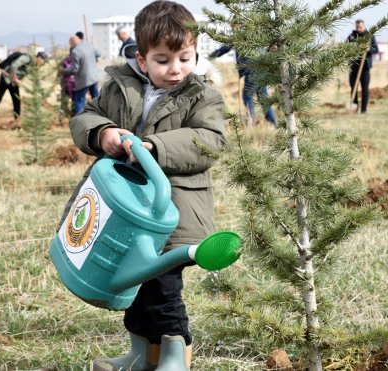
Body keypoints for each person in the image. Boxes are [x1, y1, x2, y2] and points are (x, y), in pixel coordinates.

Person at [60, 1, 226, 369]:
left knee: (163, 290)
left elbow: (210, 140)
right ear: (141, 55)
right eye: (164, 60)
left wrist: (156, 147)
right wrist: (101, 133)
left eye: (186, 58)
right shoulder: (120, 86)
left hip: (172, 212)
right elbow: (86, 116)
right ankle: (140, 353)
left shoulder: (202, 95)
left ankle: (173, 356)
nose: (176, 69)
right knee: (131, 286)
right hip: (124, 212)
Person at [210, 43, 276, 126]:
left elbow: (224, 49)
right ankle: (272, 123)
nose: (232, 29)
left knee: (247, 97)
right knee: (263, 98)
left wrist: (210, 56)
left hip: (252, 71)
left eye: (233, 28)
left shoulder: (240, 37)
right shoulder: (252, 33)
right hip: (261, 70)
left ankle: (250, 123)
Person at [0, 51, 47, 127]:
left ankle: (17, 120)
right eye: (43, 61)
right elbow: (14, 66)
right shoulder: (27, 58)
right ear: (39, 58)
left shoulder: (34, 66)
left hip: (14, 82)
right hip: (6, 77)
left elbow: (36, 80)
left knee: (16, 100)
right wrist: (15, 77)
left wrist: (42, 93)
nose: (43, 64)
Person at [61, 35, 100, 115]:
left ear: (72, 42)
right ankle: (102, 114)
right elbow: (98, 54)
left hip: (84, 80)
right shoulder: (89, 46)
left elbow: (74, 69)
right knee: (96, 98)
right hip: (94, 77)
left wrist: (63, 71)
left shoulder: (76, 51)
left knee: (79, 100)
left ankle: (78, 119)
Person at [347, 19, 379, 114]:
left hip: (365, 67)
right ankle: (354, 108)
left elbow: (376, 49)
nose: (358, 29)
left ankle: (363, 110)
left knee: (365, 89)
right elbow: (346, 46)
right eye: (357, 27)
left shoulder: (369, 36)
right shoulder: (352, 36)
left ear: (364, 26)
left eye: (360, 27)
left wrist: (368, 49)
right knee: (353, 87)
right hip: (354, 66)